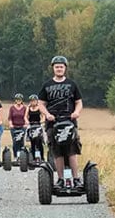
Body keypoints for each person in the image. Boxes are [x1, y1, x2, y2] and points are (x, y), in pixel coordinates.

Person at [38, 55, 84, 188]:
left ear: (65, 68)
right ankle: (60, 179)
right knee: (57, 152)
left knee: (72, 150)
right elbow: (41, 104)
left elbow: (79, 102)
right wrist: (47, 114)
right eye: (57, 67)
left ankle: (76, 179)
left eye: (61, 67)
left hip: (69, 122)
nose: (59, 69)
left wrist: (76, 112)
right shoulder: (47, 85)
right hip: (53, 123)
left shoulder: (72, 84)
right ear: (53, 68)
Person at [25, 94, 45, 160]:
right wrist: (27, 121)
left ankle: (42, 157)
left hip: (38, 125)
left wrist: (42, 121)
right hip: (31, 125)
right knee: (32, 142)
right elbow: (25, 116)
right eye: (31, 101)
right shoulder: (28, 108)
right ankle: (33, 158)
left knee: (39, 142)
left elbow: (43, 116)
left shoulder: (39, 107)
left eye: (34, 101)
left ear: (36, 101)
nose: (32, 102)